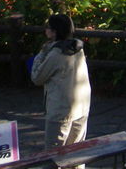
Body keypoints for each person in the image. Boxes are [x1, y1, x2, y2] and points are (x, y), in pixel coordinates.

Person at [30, 14, 91, 151]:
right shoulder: (78, 48)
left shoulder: (56, 53)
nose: (46, 30)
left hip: (61, 110)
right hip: (82, 105)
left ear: (54, 31)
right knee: (76, 152)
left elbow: (37, 78)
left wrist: (41, 54)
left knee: (54, 153)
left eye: (48, 27)